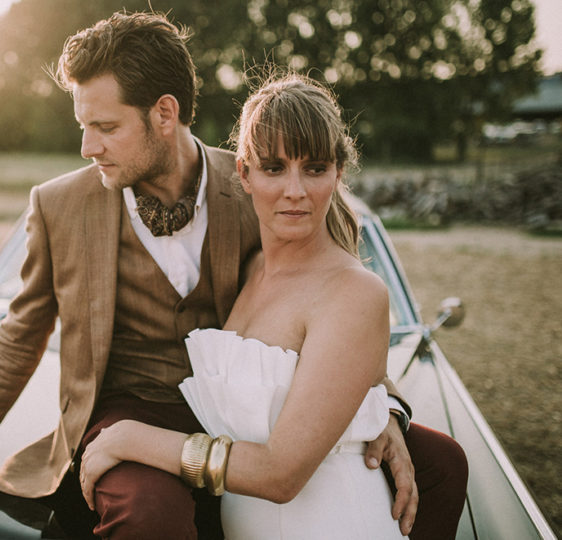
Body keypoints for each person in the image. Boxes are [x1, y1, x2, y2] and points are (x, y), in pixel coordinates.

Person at [0, 12, 466, 539]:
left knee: (439, 461)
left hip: (244, 411)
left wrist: (382, 409)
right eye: (83, 126)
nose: (88, 146)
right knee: (150, 515)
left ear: (164, 113)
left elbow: (332, 302)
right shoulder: (58, 206)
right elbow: (22, 330)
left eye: (106, 127)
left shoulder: (255, 185)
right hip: (127, 410)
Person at [77, 72, 461, 539]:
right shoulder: (252, 268)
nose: (295, 191)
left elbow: (280, 475)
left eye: (315, 169)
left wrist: (132, 438)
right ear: (244, 174)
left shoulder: (356, 291)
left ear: (338, 173)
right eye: (275, 168)